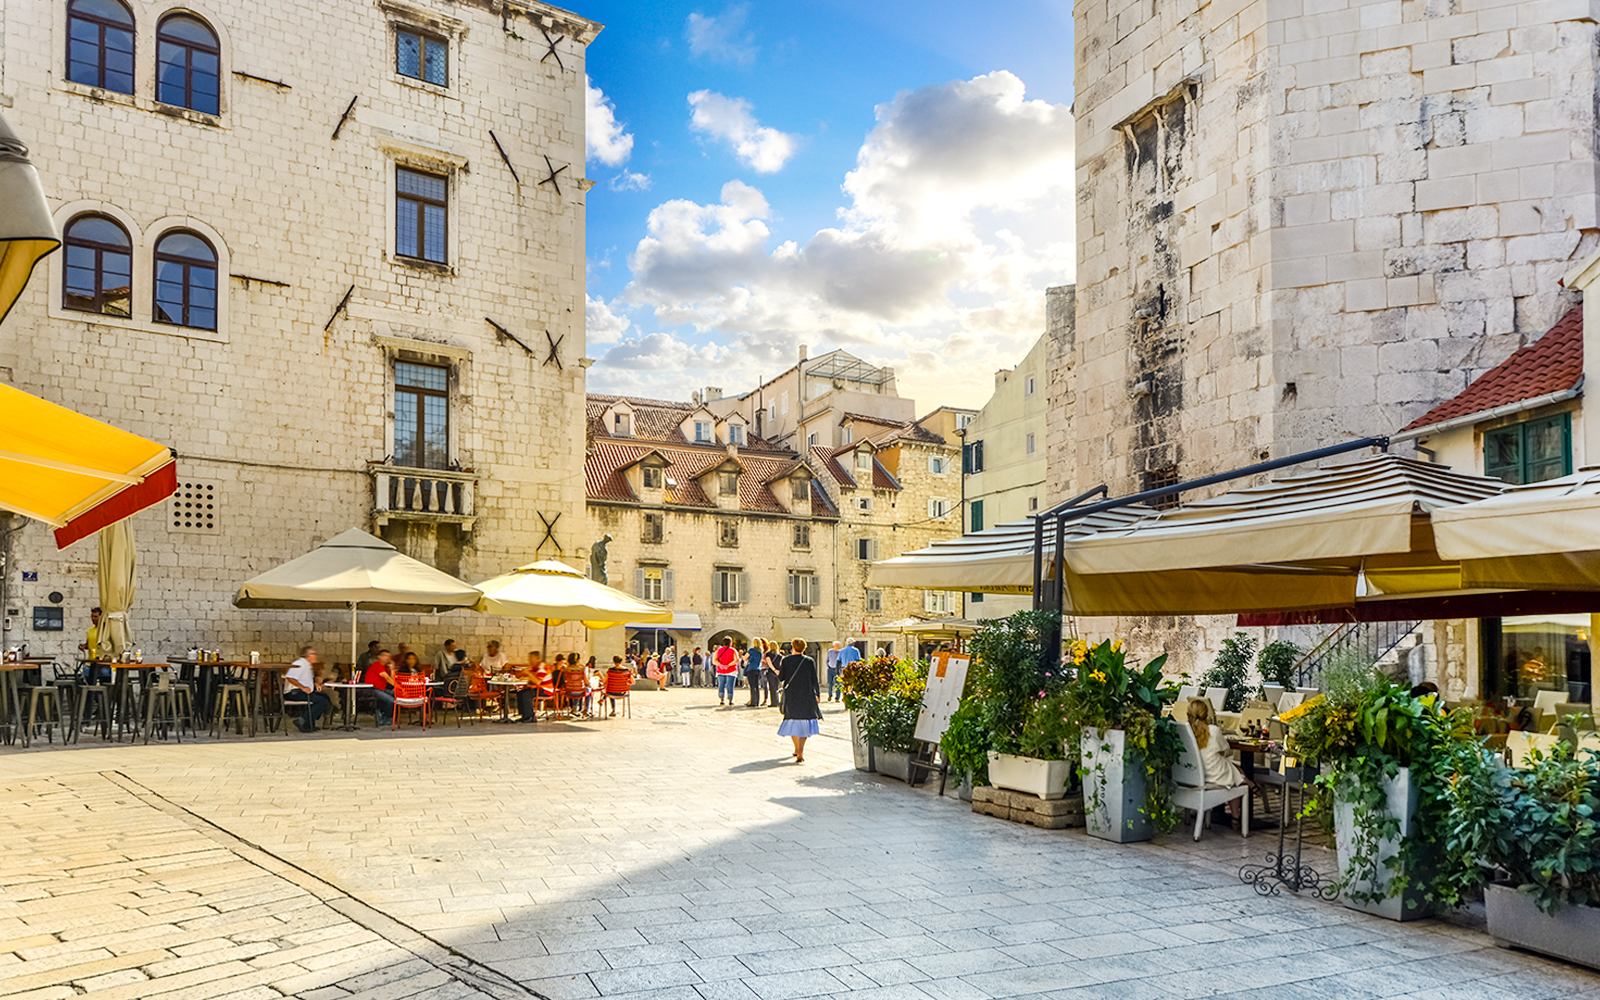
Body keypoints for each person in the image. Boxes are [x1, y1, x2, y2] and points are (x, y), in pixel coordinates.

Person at [1187, 698, 1252, 820]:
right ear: (1206, 715)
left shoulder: (1185, 731)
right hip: (1213, 777)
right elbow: (1226, 750)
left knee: (1231, 769)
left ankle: (1247, 783)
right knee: (1233, 775)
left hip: (1192, 777)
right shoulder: (1213, 731)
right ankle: (1236, 815)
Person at [778, 639, 821, 763]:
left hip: (792, 695)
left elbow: (781, 677)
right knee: (804, 723)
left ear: (793, 647)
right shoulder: (809, 661)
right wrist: (817, 694)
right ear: (804, 648)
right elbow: (814, 679)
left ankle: (797, 749)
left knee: (793, 722)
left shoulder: (786, 660)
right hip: (807, 695)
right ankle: (800, 751)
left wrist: (776, 669)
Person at [285, 646, 331, 733]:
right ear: (308, 655)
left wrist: (314, 684)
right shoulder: (300, 664)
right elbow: (290, 677)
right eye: (313, 654)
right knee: (320, 701)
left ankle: (310, 725)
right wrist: (303, 687)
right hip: (294, 692)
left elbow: (303, 680)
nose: (315, 655)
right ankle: (303, 720)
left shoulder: (307, 665)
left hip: (301, 691)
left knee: (325, 697)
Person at [515, 652, 551, 723]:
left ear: (537, 658)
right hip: (537, 687)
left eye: (531, 658)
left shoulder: (542, 667)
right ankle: (524, 715)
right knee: (520, 692)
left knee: (526, 694)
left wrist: (528, 673)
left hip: (545, 689)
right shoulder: (534, 667)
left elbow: (537, 681)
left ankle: (530, 717)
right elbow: (530, 677)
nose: (529, 659)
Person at [365, 649, 396, 726]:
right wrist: (398, 687)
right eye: (386, 656)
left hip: (382, 689)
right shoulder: (377, 665)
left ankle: (385, 716)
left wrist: (392, 669)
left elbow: (392, 679)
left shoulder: (385, 667)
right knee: (391, 700)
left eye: (389, 656)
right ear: (380, 657)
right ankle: (383, 716)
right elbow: (388, 679)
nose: (388, 658)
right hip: (372, 689)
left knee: (395, 694)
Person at [79, 607, 109, 683]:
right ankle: (90, 694)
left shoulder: (106, 631)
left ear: (101, 617)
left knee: (105, 675)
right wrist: (83, 646)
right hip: (91, 662)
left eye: (95, 616)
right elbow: (88, 644)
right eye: (92, 616)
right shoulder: (90, 630)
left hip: (103, 664)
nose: (93, 619)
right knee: (86, 677)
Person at [713, 640, 740, 705]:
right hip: (731, 670)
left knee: (721, 685)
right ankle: (730, 700)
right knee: (730, 685)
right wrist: (728, 665)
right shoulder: (733, 650)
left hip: (721, 670)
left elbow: (714, 660)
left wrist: (720, 665)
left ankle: (722, 700)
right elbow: (736, 660)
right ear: (730, 643)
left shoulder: (718, 650)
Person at [745, 639, 766, 707]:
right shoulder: (761, 651)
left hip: (751, 669)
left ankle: (753, 702)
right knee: (757, 686)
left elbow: (745, 658)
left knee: (752, 686)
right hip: (758, 669)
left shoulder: (751, 650)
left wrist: (748, 659)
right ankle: (757, 701)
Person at [762, 640, 782, 708]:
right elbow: (781, 664)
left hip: (771, 672)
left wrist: (774, 669)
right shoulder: (780, 655)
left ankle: (773, 702)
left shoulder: (768, 654)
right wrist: (778, 671)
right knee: (777, 687)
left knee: (772, 687)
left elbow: (769, 663)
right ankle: (777, 701)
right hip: (778, 673)